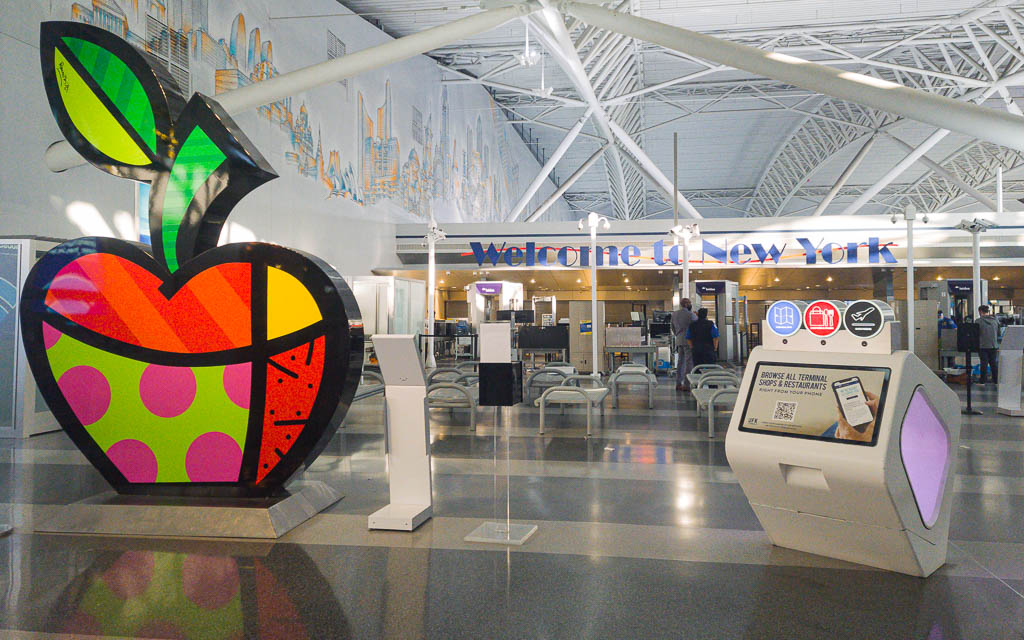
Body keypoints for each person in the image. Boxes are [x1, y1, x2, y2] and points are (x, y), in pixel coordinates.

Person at [671, 298, 697, 391]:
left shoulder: (674, 314)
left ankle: (678, 383)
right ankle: (686, 384)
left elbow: (672, 327)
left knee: (680, 362)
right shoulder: (691, 314)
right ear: (686, 304)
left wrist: (678, 335)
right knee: (689, 362)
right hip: (688, 341)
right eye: (690, 303)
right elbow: (697, 323)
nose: (690, 304)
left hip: (679, 340)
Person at [978, 304, 1000, 385]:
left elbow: (975, 334)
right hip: (994, 345)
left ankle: (982, 381)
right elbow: (999, 333)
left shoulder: (978, 321)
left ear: (980, 312)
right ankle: (996, 381)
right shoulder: (995, 321)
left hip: (983, 346)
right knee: (993, 363)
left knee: (984, 363)